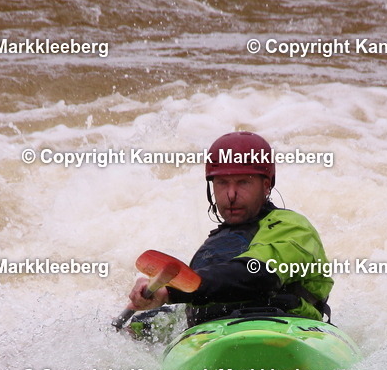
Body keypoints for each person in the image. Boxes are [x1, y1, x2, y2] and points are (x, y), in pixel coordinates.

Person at [127, 131, 333, 328]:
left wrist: (172, 291)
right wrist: (140, 325)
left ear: (266, 185)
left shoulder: (293, 227)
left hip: (284, 328)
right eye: (222, 183)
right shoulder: (211, 247)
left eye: (243, 182)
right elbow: (194, 309)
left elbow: (258, 274)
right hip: (212, 339)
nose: (231, 194)